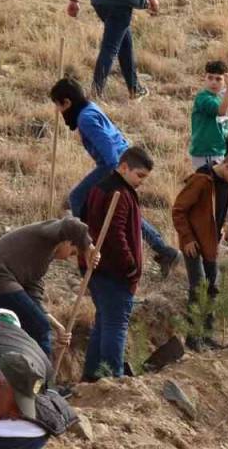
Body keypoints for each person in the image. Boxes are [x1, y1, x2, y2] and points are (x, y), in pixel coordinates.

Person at [50, 77, 180, 278]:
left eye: (59, 105)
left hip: (118, 166)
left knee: (78, 198)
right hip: (122, 164)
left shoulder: (85, 118)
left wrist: (112, 180)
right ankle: (163, 249)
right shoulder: (90, 109)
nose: (59, 111)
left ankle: (86, 248)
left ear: (67, 102)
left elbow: (110, 157)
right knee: (123, 211)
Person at [0, 217, 98, 358]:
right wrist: (89, 248)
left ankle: (5, 374)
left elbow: (34, 302)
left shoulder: (41, 264)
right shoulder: (47, 234)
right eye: (72, 252)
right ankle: (43, 377)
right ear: (66, 241)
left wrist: (58, 327)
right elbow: (71, 224)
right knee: (39, 327)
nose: (67, 257)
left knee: (10, 334)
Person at [80, 146, 154, 381]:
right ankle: (113, 377)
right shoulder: (118, 193)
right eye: (139, 175)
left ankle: (92, 376)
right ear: (124, 167)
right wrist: (130, 267)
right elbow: (115, 234)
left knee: (103, 323)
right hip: (114, 273)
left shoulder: (101, 186)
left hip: (98, 268)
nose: (141, 181)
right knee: (115, 324)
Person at [171, 146, 228, 351]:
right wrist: (188, 238)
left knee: (213, 288)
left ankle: (207, 335)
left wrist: (224, 228)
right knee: (198, 287)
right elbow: (178, 210)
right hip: (193, 245)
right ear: (226, 166)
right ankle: (193, 338)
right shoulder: (201, 180)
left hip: (211, 244)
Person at [190, 60, 228, 169]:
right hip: (205, 152)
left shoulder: (220, 99)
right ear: (204, 78)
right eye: (210, 78)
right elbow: (221, 111)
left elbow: (221, 126)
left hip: (218, 151)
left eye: (218, 79)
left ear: (224, 81)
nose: (214, 82)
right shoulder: (203, 97)